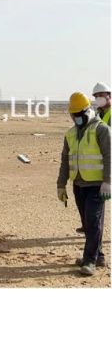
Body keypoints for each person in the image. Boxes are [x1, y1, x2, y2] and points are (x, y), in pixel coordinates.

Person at [57, 92, 111, 275]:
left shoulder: (102, 130)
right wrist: (61, 185)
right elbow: (65, 160)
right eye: (73, 115)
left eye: (79, 115)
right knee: (88, 224)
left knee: (93, 222)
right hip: (78, 185)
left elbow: (109, 157)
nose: (76, 118)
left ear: (87, 111)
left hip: (97, 186)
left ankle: (89, 261)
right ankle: (99, 256)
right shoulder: (71, 134)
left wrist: (108, 182)